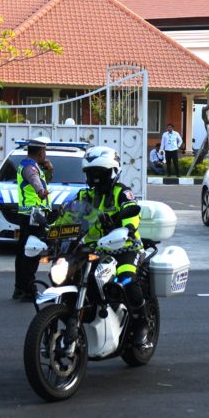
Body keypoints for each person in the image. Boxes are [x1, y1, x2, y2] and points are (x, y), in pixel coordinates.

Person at [74, 146, 148, 346]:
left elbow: (132, 211)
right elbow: (69, 216)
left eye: (100, 173)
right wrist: (51, 228)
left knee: (126, 281)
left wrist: (126, 228)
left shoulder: (122, 192)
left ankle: (141, 323)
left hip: (126, 248)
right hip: (94, 250)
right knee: (69, 275)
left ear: (112, 172)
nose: (95, 178)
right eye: (91, 173)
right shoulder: (84, 196)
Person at [13, 137, 53, 301]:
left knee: (24, 252)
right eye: (44, 152)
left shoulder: (30, 165)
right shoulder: (30, 167)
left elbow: (44, 179)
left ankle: (20, 288)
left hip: (28, 215)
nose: (45, 155)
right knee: (32, 253)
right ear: (41, 152)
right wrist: (40, 191)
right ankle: (29, 290)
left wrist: (49, 169)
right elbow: (35, 181)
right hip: (33, 215)